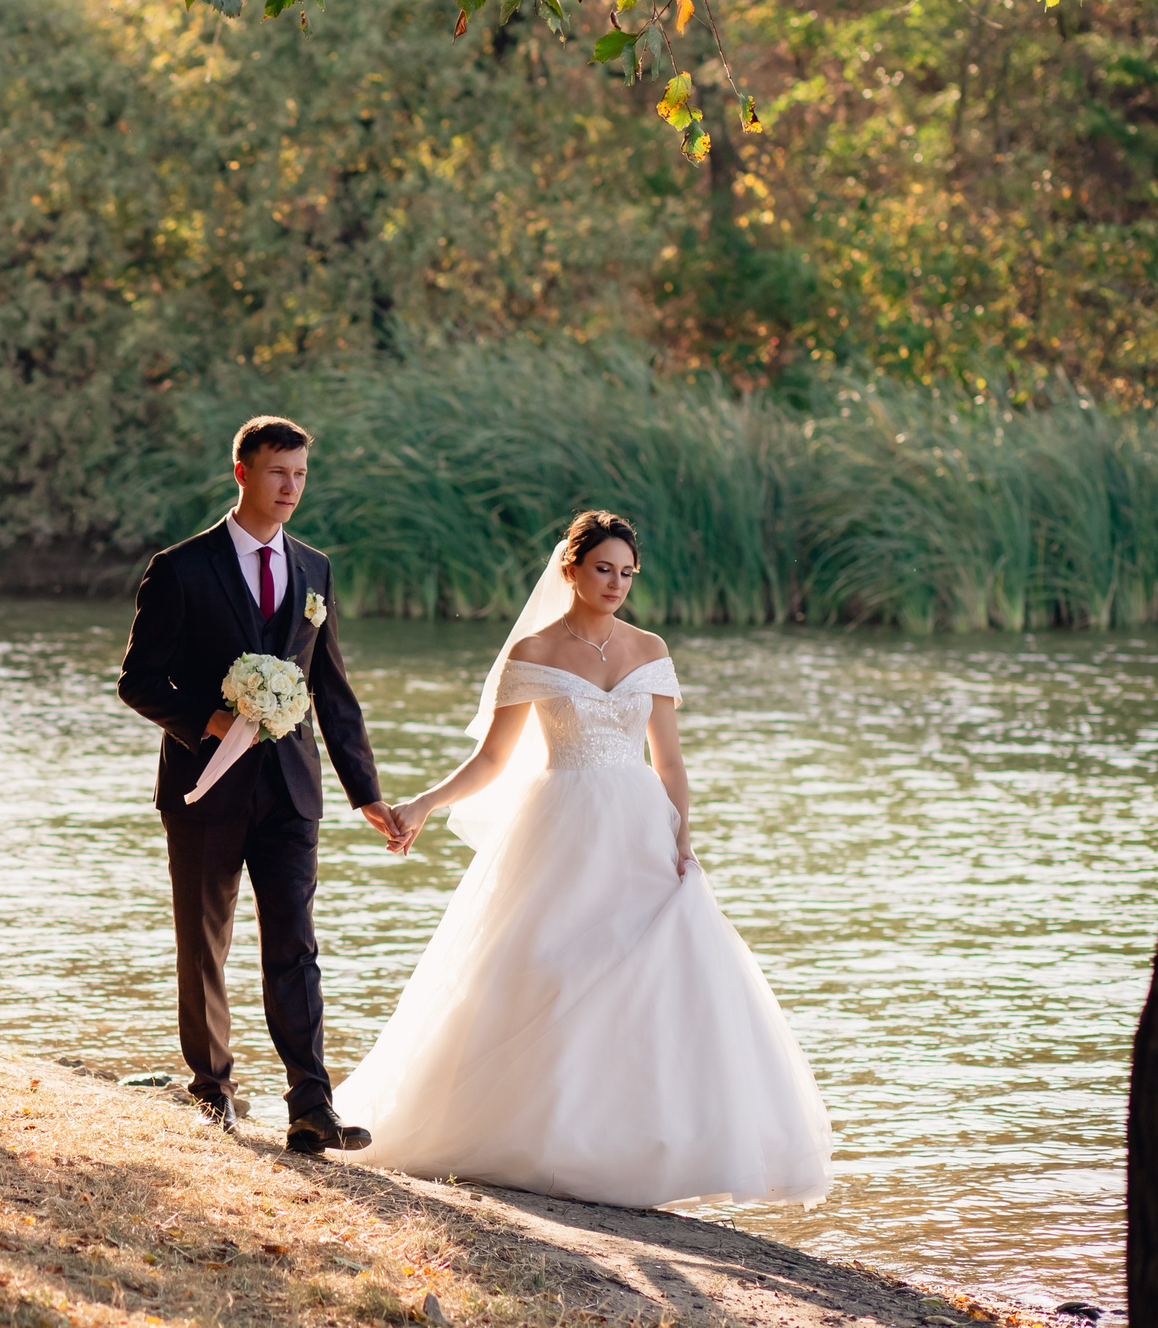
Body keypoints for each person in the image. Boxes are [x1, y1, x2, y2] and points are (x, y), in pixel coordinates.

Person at [338, 509, 833, 1208]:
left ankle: (638, 1145)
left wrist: (682, 834)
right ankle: (537, 1135)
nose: (617, 583)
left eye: (627, 572)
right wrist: (422, 803)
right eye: (604, 568)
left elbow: (670, 759)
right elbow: (492, 759)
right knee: (548, 968)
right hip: (561, 826)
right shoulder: (534, 651)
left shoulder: (649, 648)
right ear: (570, 568)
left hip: (639, 827)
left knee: (653, 973)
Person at [116, 416, 403, 1155]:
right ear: (241, 471)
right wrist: (208, 718)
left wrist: (363, 789)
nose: (290, 487)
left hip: (291, 789)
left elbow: (331, 690)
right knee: (203, 942)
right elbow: (138, 681)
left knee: (296, 943)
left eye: (301, 474)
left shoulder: (315, 568)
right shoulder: (180, 567)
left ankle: (312, 1105)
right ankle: (211, 1087)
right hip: (205, 786)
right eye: (278, 472)